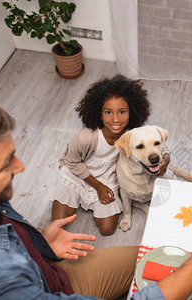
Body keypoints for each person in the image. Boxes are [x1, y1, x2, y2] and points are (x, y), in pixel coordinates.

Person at [0, 95, 192, 299]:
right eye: (5, 164)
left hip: (51, 269)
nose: (20, 167)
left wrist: (39, 242)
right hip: (60, 289)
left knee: (159, 259)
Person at [51, 74, 169, 236]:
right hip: (77, 176)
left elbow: (155, 141)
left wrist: (166, 159)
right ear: (99, 113)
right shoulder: (86, 137)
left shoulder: (132, 135)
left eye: (122, 112)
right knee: (58, 222)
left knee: (107, 230)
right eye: (108, 112)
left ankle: (94, 203)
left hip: (107, 178)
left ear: (131, 111)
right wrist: (98, 187)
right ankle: (74, 197)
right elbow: (72, 162)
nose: (115, 119)